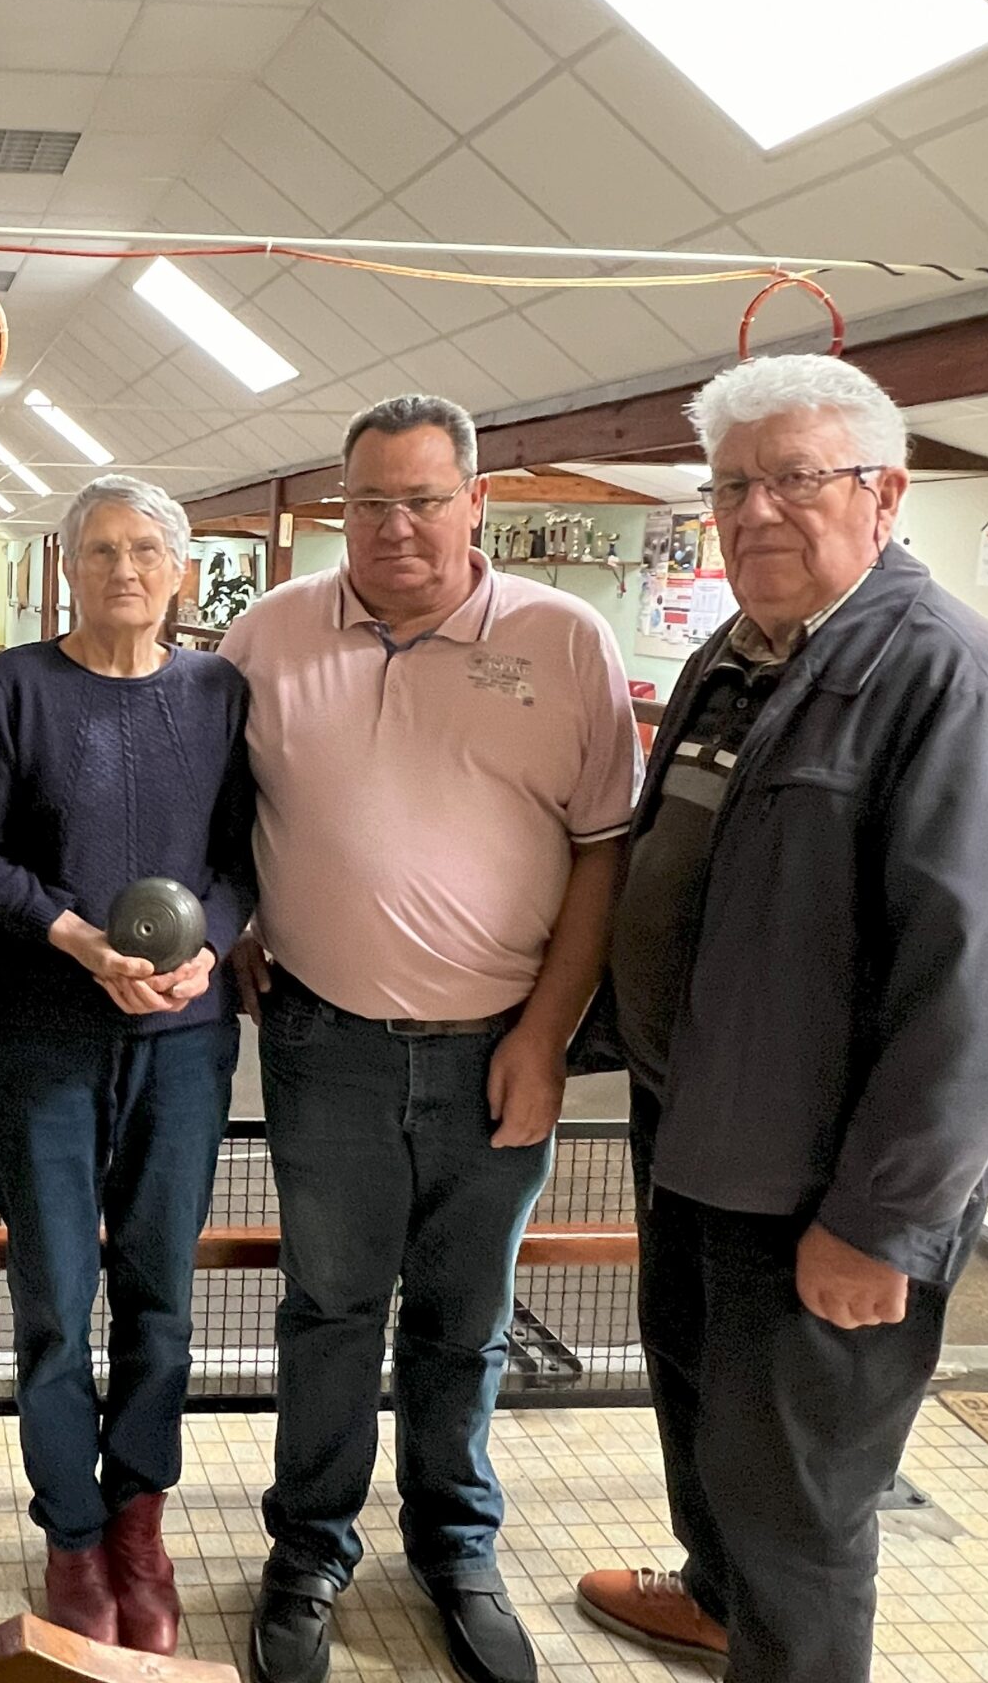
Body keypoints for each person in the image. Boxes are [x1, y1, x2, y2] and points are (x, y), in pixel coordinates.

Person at [572, 356, 988, 1682]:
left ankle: (776, 1638)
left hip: (822, 1182)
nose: (755, 513)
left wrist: (884, 1222)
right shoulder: (733, 665)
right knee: (705, 1421)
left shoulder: (961, 684)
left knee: (800, 1495)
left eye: (794, 480)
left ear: (885, 494)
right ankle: (712, 1599)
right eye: (733, 486)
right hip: (700, 1138)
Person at [221, 395, 641, 1683]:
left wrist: (547, 1035)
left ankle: (455, 1544)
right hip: (325, 1043)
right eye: (367, 502)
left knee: (466, 1318)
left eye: (421, 499)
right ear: (336, 507)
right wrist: (235, 922)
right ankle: (309, 1548)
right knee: (331, 1307)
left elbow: (601, 854)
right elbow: (209, 802)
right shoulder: (267, 634)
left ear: (475, 505)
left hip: (495, 1051)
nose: (394, 527)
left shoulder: (564, 643)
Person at [0, 475, 254, 1655]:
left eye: (145, 549)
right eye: (98, 551)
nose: (122, 569)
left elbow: (243, 861)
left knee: (160, 1296)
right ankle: (71, 1531)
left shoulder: (219, 690)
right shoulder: (19, 685)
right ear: (64, 569)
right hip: (45, 1030)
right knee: (51, 1299)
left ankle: (139, 1518)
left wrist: (210, 954)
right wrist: (76, 936)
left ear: (180, 571)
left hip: (184, 1041)